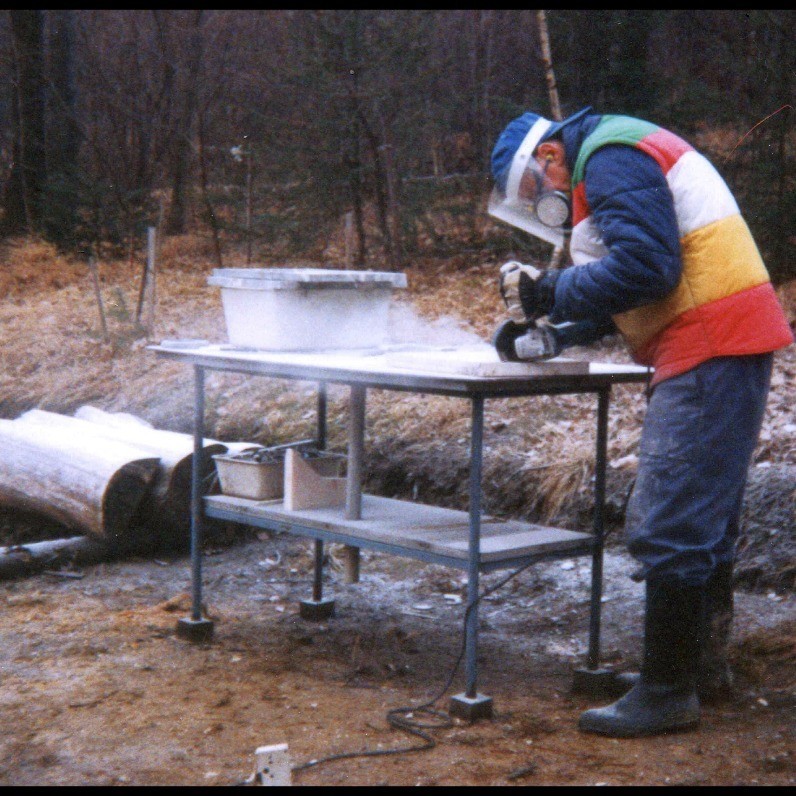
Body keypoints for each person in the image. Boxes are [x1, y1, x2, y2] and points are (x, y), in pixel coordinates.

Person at [489, 107, 794, 737]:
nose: (539, 204)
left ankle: (666, 692)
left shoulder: (608, 157)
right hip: (718, 336)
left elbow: (648, 268)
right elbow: (635, 281)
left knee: (671, 516)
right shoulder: (615, 151)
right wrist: (557, 332)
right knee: (702, 517)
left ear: (547, 157)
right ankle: (693, 670)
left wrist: (548, 294)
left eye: (530, 191)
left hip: (710, 337)